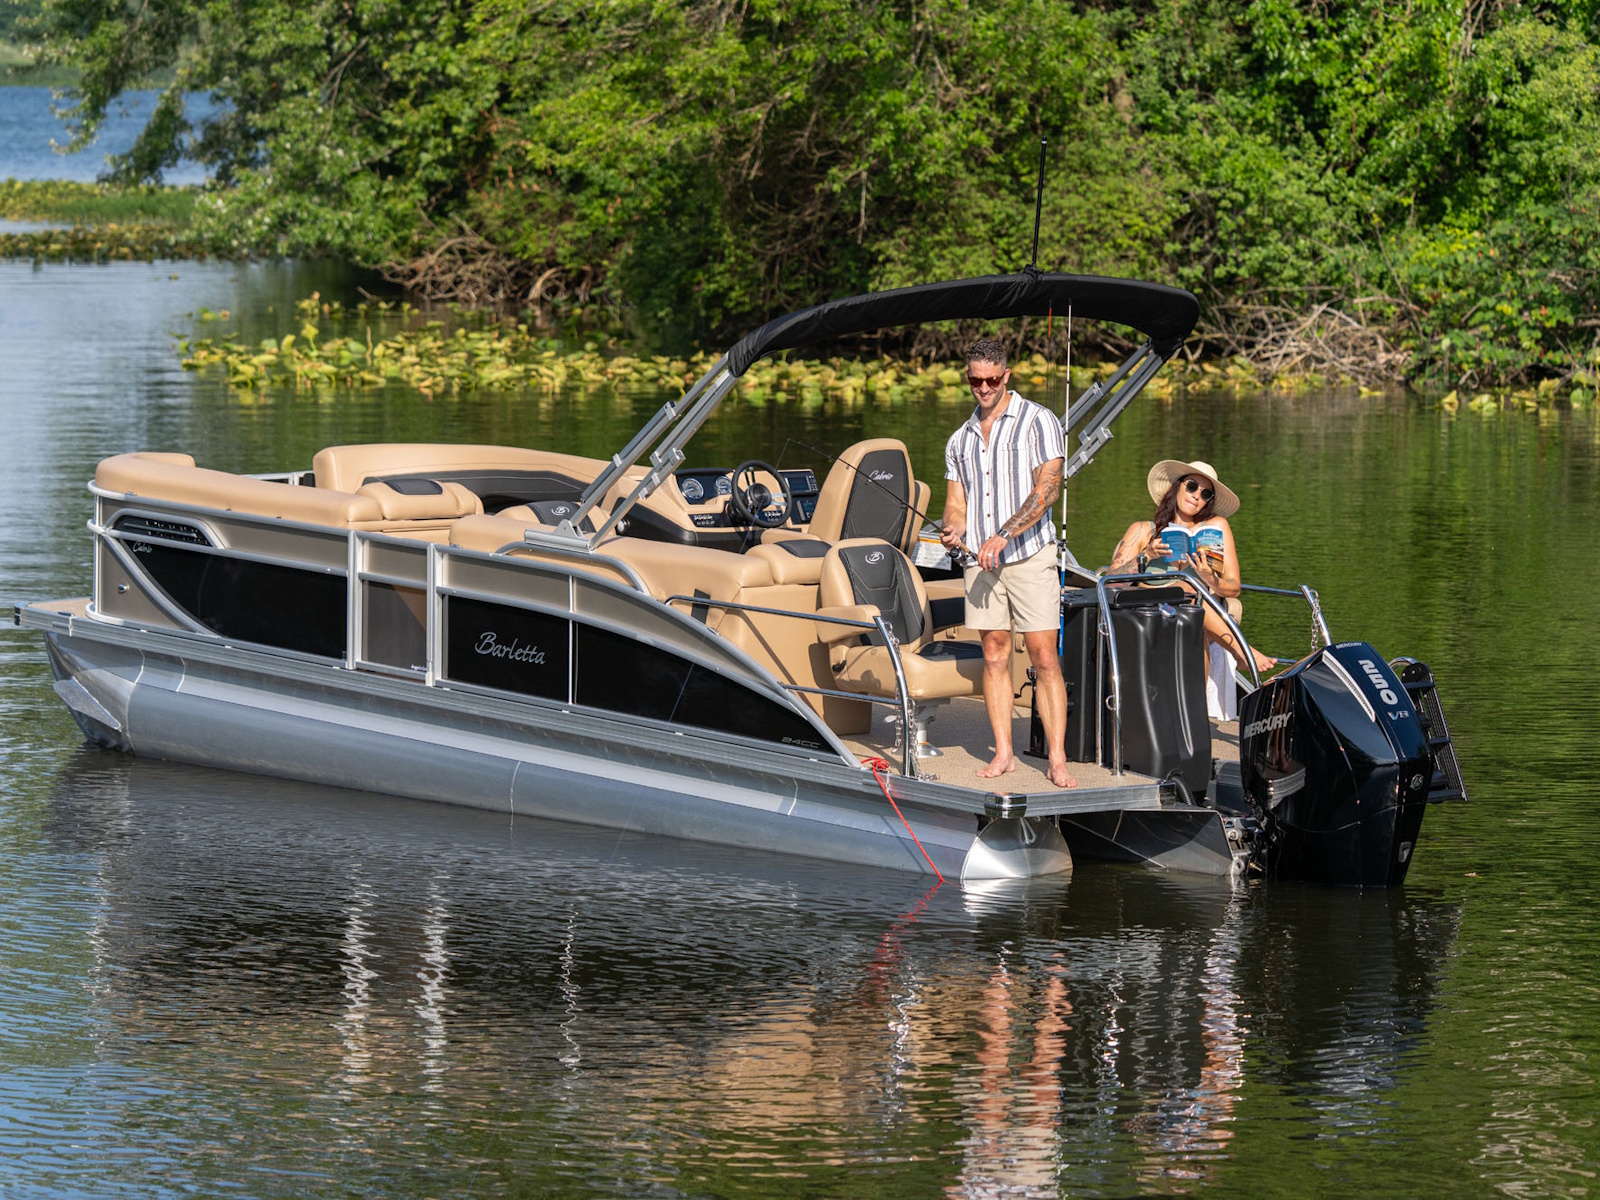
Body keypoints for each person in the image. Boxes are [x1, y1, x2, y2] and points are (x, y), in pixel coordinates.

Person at [940, 339, 1075, 788]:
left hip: (1029, 555)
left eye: (992, 380)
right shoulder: (959, 439)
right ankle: (1003, 753)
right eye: (975, 380)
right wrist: (953, 529)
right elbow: (956, 504)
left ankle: (1057, 758)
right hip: (980, 562)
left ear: (1006, 376)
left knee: (1044, 656)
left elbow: (1048, 489)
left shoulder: (1039, 420)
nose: (983, 388)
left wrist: (1004, 534)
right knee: (994, 654)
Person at [1108, 459, 1276, 677]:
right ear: (1177, 487)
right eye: (1192, 486)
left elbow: (1234, 588)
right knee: (1187, 588)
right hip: (1148, 613)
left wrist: (1210, 577)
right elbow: (1109, 582)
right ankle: (1241, 650)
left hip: (1192, 617)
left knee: (1192, 605)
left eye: (1206, 494)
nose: (1197, 495)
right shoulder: (1142, 530)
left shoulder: (1215, 529)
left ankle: (1203, 692)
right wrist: (1147, 555)